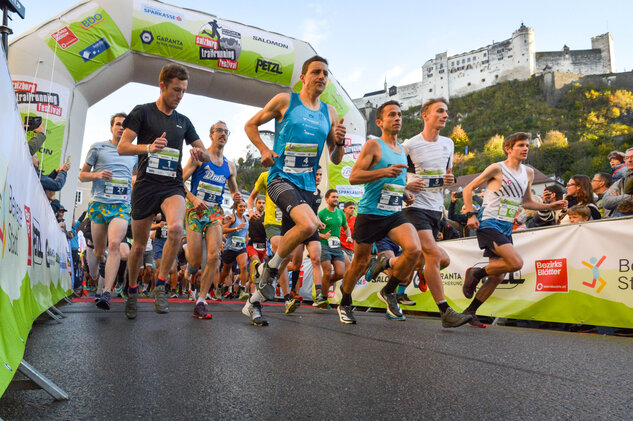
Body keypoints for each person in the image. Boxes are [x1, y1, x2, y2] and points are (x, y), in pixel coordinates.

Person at [243, 55, 346, 325]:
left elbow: (334, 158)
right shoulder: (285, 101)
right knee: (310, 225)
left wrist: (341, 142)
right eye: (315, 72)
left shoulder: (330, 113)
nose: (321, 77)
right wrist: (264, 149)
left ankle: (254, 302)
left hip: (307, 187)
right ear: (303, 77)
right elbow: (250, 125)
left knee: (292, 249)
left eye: (325, 73)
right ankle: (270, 270)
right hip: (280, 179)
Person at [117, 63, 210, 319]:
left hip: (172, 184)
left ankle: (160, 286)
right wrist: (148, 148)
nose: (180, 96)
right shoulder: (143, 112)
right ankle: (133, 289)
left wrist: (200, 152)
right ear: (162, 86)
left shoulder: (183, 121)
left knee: (177, 229)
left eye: (183, 92)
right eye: (176, 90)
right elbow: (123, 147)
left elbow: (208, 154)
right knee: (137, 246)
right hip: (147, 184)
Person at [461, 132, 567, 327]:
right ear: (508, 149)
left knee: (498, 275)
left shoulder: (528, 172)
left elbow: (526, 202)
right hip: (489, 222)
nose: (525, 148)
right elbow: (467, 190)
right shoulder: (496, 168)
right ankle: (475, 273)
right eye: (520, 145)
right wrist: (470, 214)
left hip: (506, 226)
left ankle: (470, 312)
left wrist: (550, 207)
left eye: (527, 145)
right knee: (516, 263)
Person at [338, 100, 421, 324]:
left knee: (414, 249)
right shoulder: (374, 146)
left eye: (400, 115)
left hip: (393, 212)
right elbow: (354, 177)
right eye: (392, 115)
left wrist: (403, 193)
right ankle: (345, 301)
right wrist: (383, 171)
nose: (397, 118)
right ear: (379, 122)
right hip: (370, 213)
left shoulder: (402, 150)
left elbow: (394, 180)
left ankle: (389, 291)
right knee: (360, 264)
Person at [400, 98, 471, 327]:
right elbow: (394, 176)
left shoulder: (449, 143)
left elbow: (447, 175)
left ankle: (390, 277)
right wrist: (406, 186)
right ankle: (445, 312)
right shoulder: (409, 145)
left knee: (444, 260)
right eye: (440, 111)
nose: (445, 115)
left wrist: (450, 180)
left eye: (447, 112)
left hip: (435, 208)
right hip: (414, 206)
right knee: (432, 254)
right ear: (425, 115)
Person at [182, 121, 241, 320]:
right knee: (196, 260)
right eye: (219, 130)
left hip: (215, 212)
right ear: (211, 135)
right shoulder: (200, 158)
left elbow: (234, 190)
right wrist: (193, 199)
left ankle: (201, 300)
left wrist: (236, 197)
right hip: (194, 211)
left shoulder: (230, 166)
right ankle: (190, 267)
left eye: (226, 131)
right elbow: (178, 181)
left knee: (215, 256)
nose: (223, 134)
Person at [79, 113, 137, 310]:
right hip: (98, 205)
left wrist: (135, 182)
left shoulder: (134, 153)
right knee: (99, 251)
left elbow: (136, 176)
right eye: (118, 124)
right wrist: (97, 174)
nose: (122, 128)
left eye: (125, 125)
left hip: (121, 206)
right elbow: (82, 175)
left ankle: (106, 292)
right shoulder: (98, 147)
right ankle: (99, 271)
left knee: (114, 245)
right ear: (111, 127)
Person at [317, 189, 350, 309]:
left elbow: (346, 227)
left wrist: (349, 236)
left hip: (337, 246)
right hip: (324, 245)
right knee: (326, 271)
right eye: (333, 197)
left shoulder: (341, 213)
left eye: (337, 197)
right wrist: (323, 235)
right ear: (326, 199)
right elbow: (314, 230)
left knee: (341, 273)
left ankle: (324, 286)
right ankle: (323, 299)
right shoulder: (321, 214)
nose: (336, 199)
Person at [603, 147, 633, 217]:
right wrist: (630, 197)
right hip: (621, 225)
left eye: (632, 157)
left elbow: (612, 202)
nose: (629, 160)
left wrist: (618, 199)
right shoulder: (621, 181)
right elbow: (606, 202)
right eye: (627, 158)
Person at [340, 201, 356, 265]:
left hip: (350, 249)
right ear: (345, 209)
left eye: (354, 208)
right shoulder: (339, 219)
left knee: (345, 270)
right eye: (351, 208)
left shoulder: (356, 220)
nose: (353, 210)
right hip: (339, 247)